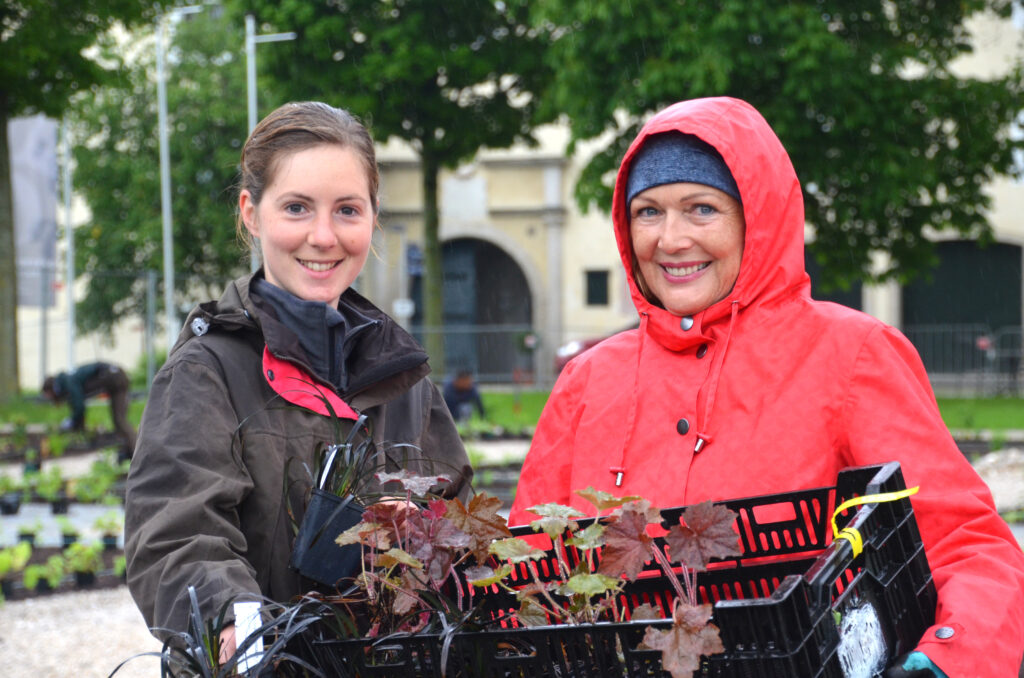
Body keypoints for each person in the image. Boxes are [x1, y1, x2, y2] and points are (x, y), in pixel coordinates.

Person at [509, 97, 1024, 676]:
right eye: (648, 212)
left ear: (757, 219)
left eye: (701, 209)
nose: (671, 240)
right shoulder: (588, 378)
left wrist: (950, 654)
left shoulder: (849, 352)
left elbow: (964, 544)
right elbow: (527, 569)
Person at [124, 102, 472, 659]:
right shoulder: (207, 371)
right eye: (296, 208)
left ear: (373, 217)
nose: (323, 236)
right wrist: (242, 633)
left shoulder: (404, 378)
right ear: (251, 213)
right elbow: (176, 539)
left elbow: (456, 523)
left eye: (347, 211)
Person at [42, 361, 137, 457]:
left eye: (49, 396)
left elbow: (79, 406)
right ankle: (129, 452)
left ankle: (137, 452)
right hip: (115, 377)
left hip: (115, 377)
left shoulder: (69, 382)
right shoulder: (67, 383)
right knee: (118, 421)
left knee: (120, 420)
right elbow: (78, 408)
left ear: (52, 389)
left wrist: (71, 421)